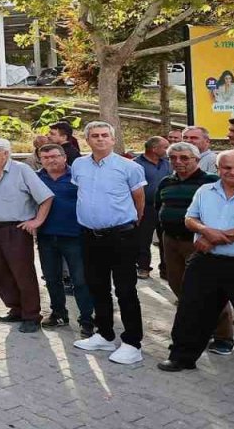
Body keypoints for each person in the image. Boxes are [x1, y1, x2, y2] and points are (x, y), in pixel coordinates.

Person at [159, 150, 234, 396]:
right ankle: (182, 357)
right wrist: (204, 229)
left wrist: (214, 237)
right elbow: (190, 219)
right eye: (227, 168)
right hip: (207, 263)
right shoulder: (205, 191)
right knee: (191, 310)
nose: (233, 172)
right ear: (218, 168)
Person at [71, 121, 148, 365]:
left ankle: (132, 342)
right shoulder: (79, 164)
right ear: (88, 140)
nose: (100, 139)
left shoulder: (128, 167)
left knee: (125, 289)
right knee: (97, 287)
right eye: (95, 136)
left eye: (105, 135)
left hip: (121, 236)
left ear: (113, 140)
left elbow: (139, 201)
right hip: (89, 236)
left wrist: (130, 226)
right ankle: (104, 334)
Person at [155, 142, 232, 355]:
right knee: (178, 286)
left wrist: (209, 236)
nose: (178, 162)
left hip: (198, 242)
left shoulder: (211, 183)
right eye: (173, 158)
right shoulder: (166, 182)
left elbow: (224, 212)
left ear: (197, 160)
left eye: (184, 158)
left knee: (210, 290)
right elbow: (158, 208)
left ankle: (223, 337)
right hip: (171, 240)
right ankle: (198, 328)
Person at [0, 138, 54, 333]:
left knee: (22, 272)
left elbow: (46, 197)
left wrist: (37, 221)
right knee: (0, 271)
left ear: (5, 153)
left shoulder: (22, 170)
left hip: (16, 229)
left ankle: (31, 315)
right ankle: (16, 308)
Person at [35, 144, 95, 337]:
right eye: (45, 158)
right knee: (52, 279)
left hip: (74, 237)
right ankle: (58, 313)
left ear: (64, 157)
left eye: (54, 156)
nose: (50, 160)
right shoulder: (36, 178)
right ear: (40, 160)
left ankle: (87, 319)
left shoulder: (78, 177)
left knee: (80, 281)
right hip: (46, 236)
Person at [134, 136, 171, 279]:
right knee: (143, 239)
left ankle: (166, 269)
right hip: (146, 207)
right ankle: (143, 267)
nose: (167, 150)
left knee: (165, 239)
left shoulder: (167, 163)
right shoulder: (136, 164)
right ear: (154, 149)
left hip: (164, 206)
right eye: (165, 147)